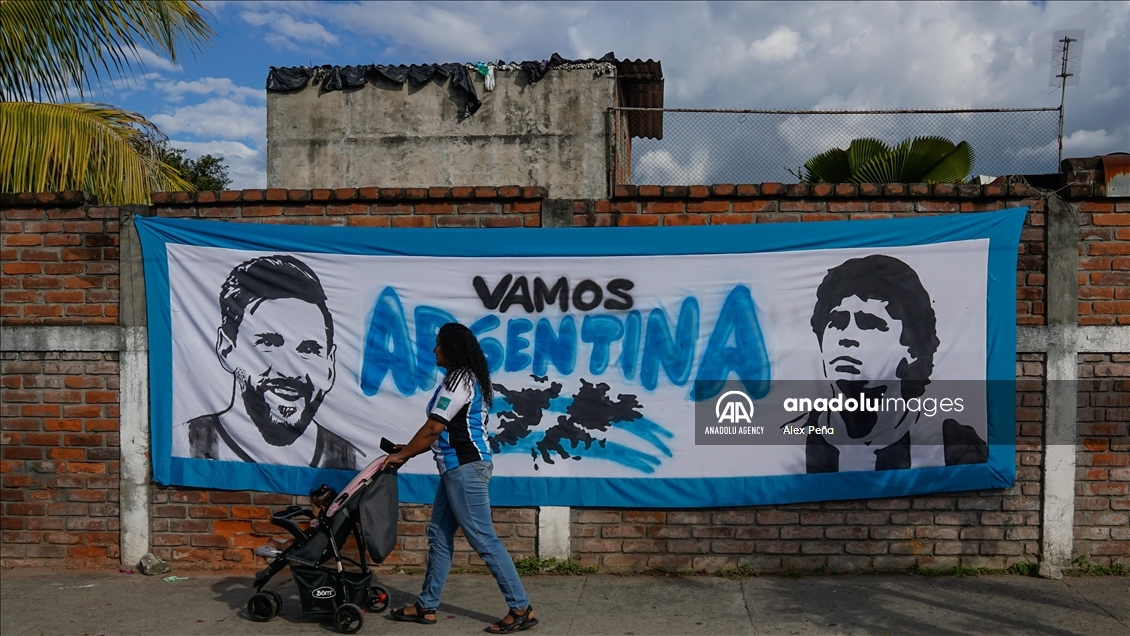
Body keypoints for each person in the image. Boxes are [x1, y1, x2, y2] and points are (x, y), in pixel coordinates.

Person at [384, 323, 538, 633]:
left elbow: (433, 428)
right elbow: (439, 430)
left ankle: (521, 608)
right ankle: (426, 607)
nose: (434, 350)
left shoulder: (459, 380)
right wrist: (408, 448)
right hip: (457, 470)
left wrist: (403, 456)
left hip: (465, 470)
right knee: (439, 537)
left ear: (451, 349)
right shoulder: (463, 379)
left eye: (438, 344)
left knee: (483, 539)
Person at [792, 254, 987, 472]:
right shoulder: (791, 439)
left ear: (912, 347)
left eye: (868, 324)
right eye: (836, 322)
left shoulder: (952, 445)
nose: (847, 337)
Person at [184, 255, 360, 469]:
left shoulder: (355, 463)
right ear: (226, 348)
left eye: (309, 350)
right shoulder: (184, 444)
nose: (289, 371)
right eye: (269, 343)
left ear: (330, 366)